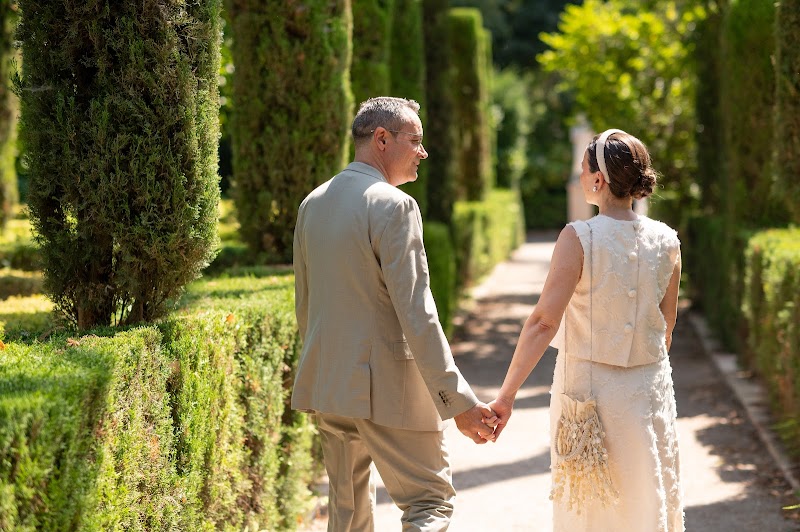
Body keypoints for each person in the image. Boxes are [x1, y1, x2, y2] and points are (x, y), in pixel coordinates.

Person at [292, 96, 496, 531]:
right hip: (388, 391)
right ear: (381, 139)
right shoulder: (394, 205)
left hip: (331, 389)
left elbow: (306, 306)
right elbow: (417, 314)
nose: (423, 152)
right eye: (416, 140)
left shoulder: (313, 202)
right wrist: (455, 401)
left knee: (347, 518)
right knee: (429, 504)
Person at [488, 129, 684, 531]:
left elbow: (544, 321)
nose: (579, 178)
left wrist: (505, 396)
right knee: (648, 497)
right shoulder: (667, 241)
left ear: (598, 180)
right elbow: (666, 327)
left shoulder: (579, 237)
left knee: (591, 508)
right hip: (649, 391)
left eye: (582, 170)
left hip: (588, 397)